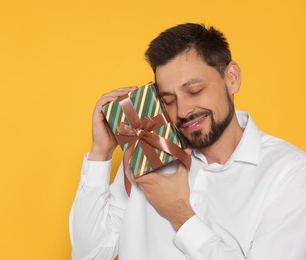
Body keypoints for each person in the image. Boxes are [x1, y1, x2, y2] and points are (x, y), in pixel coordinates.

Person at [69, 23, 306, 260]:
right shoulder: (147, 154)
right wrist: (100, 154)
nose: (182, 111)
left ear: (231, 78)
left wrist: (180, 215)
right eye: (169, 100)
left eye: (194, 91)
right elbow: (90, 255)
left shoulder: (290, 174)